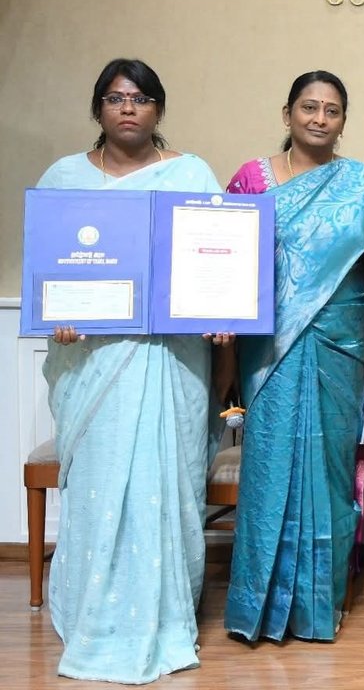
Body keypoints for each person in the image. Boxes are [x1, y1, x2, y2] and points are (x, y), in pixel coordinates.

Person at [38, 58, 229, 683]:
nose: (129, 108)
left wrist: (223, 313)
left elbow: (217, 260)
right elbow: (51, 269)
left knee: (166, 480)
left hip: (170, 357)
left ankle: (164, 612)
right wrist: (58, 315)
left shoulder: (191, 174)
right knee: (99, 482)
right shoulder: (65, 177)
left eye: (142, 98)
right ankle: (95, 612)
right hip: (92, 360)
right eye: (117, 97)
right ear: (98, 107)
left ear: (158, 110)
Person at [222, 71, 364, 643]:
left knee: (330, 470)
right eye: (309, 107)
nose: (320, 119)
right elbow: (225, 256)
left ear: (343, 120)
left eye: (332, 110)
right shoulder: (251, 180)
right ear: (287, 114)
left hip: (342, 342)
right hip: (269, 344)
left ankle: (318, 604)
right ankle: (260, 604)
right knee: (270, 466)